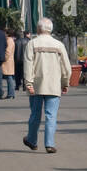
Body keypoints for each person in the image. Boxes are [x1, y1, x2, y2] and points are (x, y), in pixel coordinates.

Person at [22, 17, 72, 154]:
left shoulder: (32, 44)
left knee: (35, 114)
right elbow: (66, 67)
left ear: (38, 29)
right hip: (54, 85)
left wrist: (28, 83)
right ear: (51, 29)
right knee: (51, 115)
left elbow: (28, 65)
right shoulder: (59, 45)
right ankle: (49, 144)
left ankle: (32, 140)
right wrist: (65, 83)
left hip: (37, 85)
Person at [1, 29, 17, 99]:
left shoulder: (9, 41)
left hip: (7, 62)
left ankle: (11, 94)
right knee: (9, 78)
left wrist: (3, 59)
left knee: (9, 78)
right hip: (8, 61)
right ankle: (11, 93)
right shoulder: (9, 40)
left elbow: (8, 52)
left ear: (7, 34)